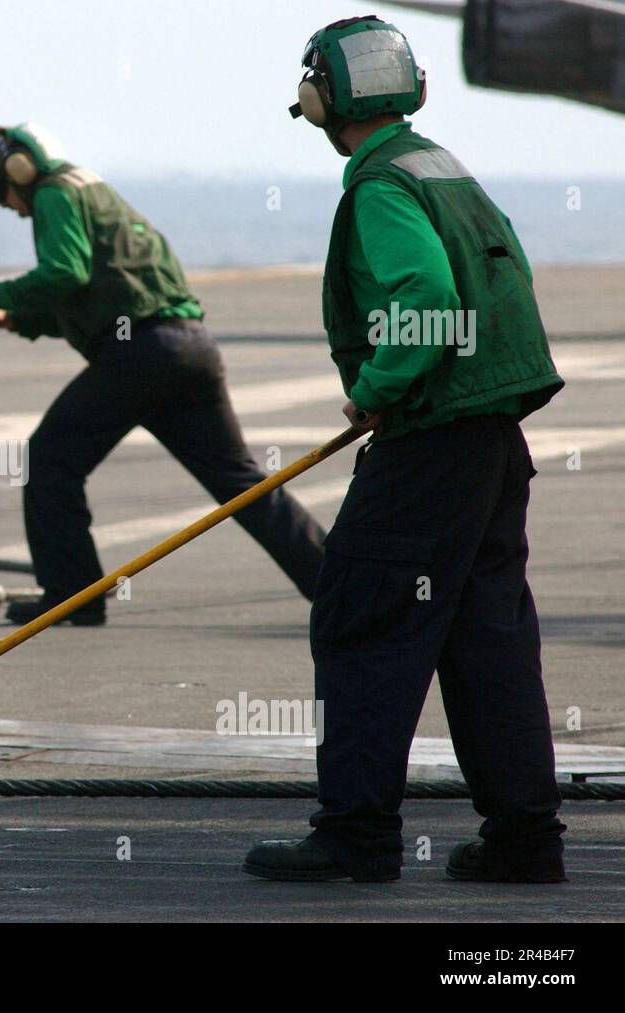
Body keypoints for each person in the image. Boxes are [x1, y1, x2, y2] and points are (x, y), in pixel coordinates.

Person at [243, 16, 567, 883]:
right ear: (411, 88)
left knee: (362, 618)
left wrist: (377, 388)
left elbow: (426, 288)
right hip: (494, 441)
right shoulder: (445, 167)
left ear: (322, 97)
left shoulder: (382, 185)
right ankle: (526, 840)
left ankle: (355, 833)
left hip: (429, 448)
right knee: (487, 639)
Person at [0, 123, 326, 627]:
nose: (12, 207)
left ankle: (73, 595)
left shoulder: (52, 194)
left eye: (5, 194)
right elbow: (91, 297)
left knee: (51, 458)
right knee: (243, 484)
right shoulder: (96, 194)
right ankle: (338, 587)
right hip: (190, 349)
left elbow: (65, 273)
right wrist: (13, 319)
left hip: (142, 357)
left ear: (20, 171)